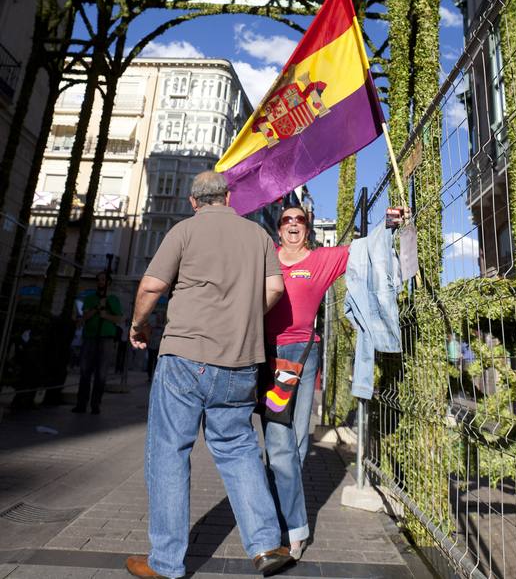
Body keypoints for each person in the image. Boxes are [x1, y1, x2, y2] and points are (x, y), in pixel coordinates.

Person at [124, 171, 294, 579]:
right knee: (238, 449)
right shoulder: (257, 236)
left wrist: (137, 326)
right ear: (228, 197)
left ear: (194, 201)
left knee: (169, 452)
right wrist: (242, 317)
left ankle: (166, 562)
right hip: (238, 362)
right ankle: (267, 545)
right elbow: (275, 290)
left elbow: (150, 287)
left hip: (184, 355)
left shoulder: (184, 230)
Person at [262, 206, 351, 562]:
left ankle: (288, 524)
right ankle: (287, 522)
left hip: (299, 354)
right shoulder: (265, 257)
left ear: (308, 228)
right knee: (277, 438)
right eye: (287, 220)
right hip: (263, 354)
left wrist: (393, 224)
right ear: (278, 229)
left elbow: (364, 249)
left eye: (300, 220)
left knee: (294, 439)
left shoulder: (319, 260)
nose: (294, 224)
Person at [72, 271, 122, 415]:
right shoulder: (90, 298)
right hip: (90, 337)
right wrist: (97, 308)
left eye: (104, 280)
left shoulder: (113, 299)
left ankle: (95, 404)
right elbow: (84, 317)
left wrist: (106, 314)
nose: (101, 282)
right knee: (85, 371)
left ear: (109, 283)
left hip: (106, 338)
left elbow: (118, 318)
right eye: (99, 279)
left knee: (101, 373)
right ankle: (81, 403)